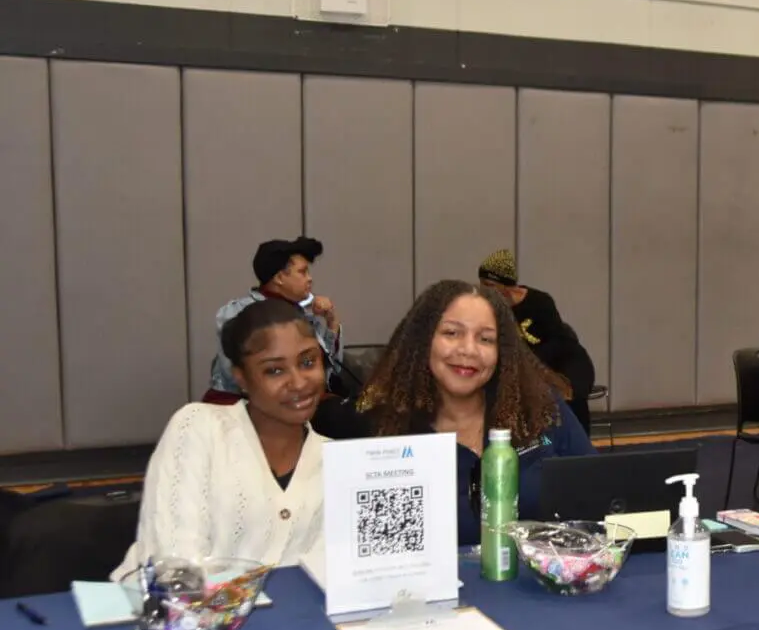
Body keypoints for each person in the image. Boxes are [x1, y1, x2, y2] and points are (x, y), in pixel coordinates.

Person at [341, 280, 595, 549]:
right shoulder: (385, 428)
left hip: (538, 583)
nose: (468, 350)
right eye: (451, 333)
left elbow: (597, 493)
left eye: (486, 339)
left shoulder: (542, 409)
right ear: (423, 341)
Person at [115, 299, 329, 579]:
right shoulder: (199, 427)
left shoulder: (336, 459)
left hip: (287, 620)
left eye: (308, 362)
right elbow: (174, 564)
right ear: (240, 377)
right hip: (164, 616)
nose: (299, 382)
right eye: (274, 370)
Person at [208, 237, 344, 403]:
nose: (310, 279)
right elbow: (233, 375)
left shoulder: (301, 314)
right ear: (279, 278)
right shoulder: (240, 312)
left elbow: (332, 370)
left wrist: (331, 322)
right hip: (243, 405)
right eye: (303, 272)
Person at [477, 249, 598, 430]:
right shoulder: (491, 309)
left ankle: (580, 445)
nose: (485, 291)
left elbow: (558, 342)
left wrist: (532, 363)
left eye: (490, 285)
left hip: (564, 360)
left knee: (569, 396)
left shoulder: (540, 301)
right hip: (529, 366)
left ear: (506, 286)